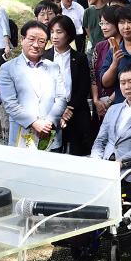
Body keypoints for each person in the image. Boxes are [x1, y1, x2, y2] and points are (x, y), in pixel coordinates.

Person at [0, 20, 69, 150]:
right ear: (22, 39)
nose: (36, 45)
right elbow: (10, 103)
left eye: (41, 41)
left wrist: (49, 121)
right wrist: (34, 123)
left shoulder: (53, 67)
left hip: (50, 134)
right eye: (31, 39)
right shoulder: (8, 68)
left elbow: (61, 97)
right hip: (22, 135)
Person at [42, 14, 94, 156]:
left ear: (69, 33)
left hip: (75, 111)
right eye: (52, 32)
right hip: (50, 112)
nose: (54, 36)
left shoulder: (80, 58)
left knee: (77, 154)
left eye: (59, 32)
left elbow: (84, 87)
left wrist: (69, 108)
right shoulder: (44, 57)